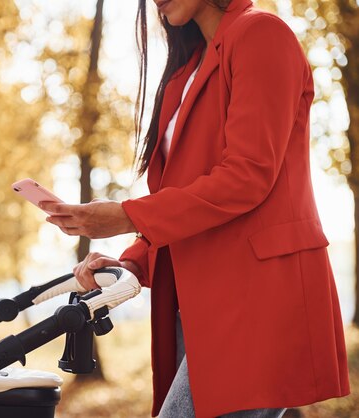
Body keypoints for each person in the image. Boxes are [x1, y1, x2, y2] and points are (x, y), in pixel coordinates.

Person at [39, 0, 351, 416]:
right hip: (201, 304)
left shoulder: (262, 35)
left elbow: (247, 175)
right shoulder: (186, 73)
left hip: (259, 296)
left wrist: (128, 214)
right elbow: (189, 197)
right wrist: (133, 262)